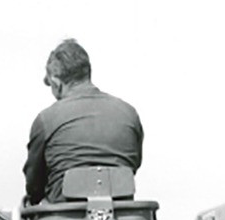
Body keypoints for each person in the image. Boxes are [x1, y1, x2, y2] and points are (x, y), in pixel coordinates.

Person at [24, 39, 143, 205]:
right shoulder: (129, 113)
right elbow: (133, 165)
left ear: (56, 83)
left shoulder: (46, 119)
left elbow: (34, 185)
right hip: (119, 217)